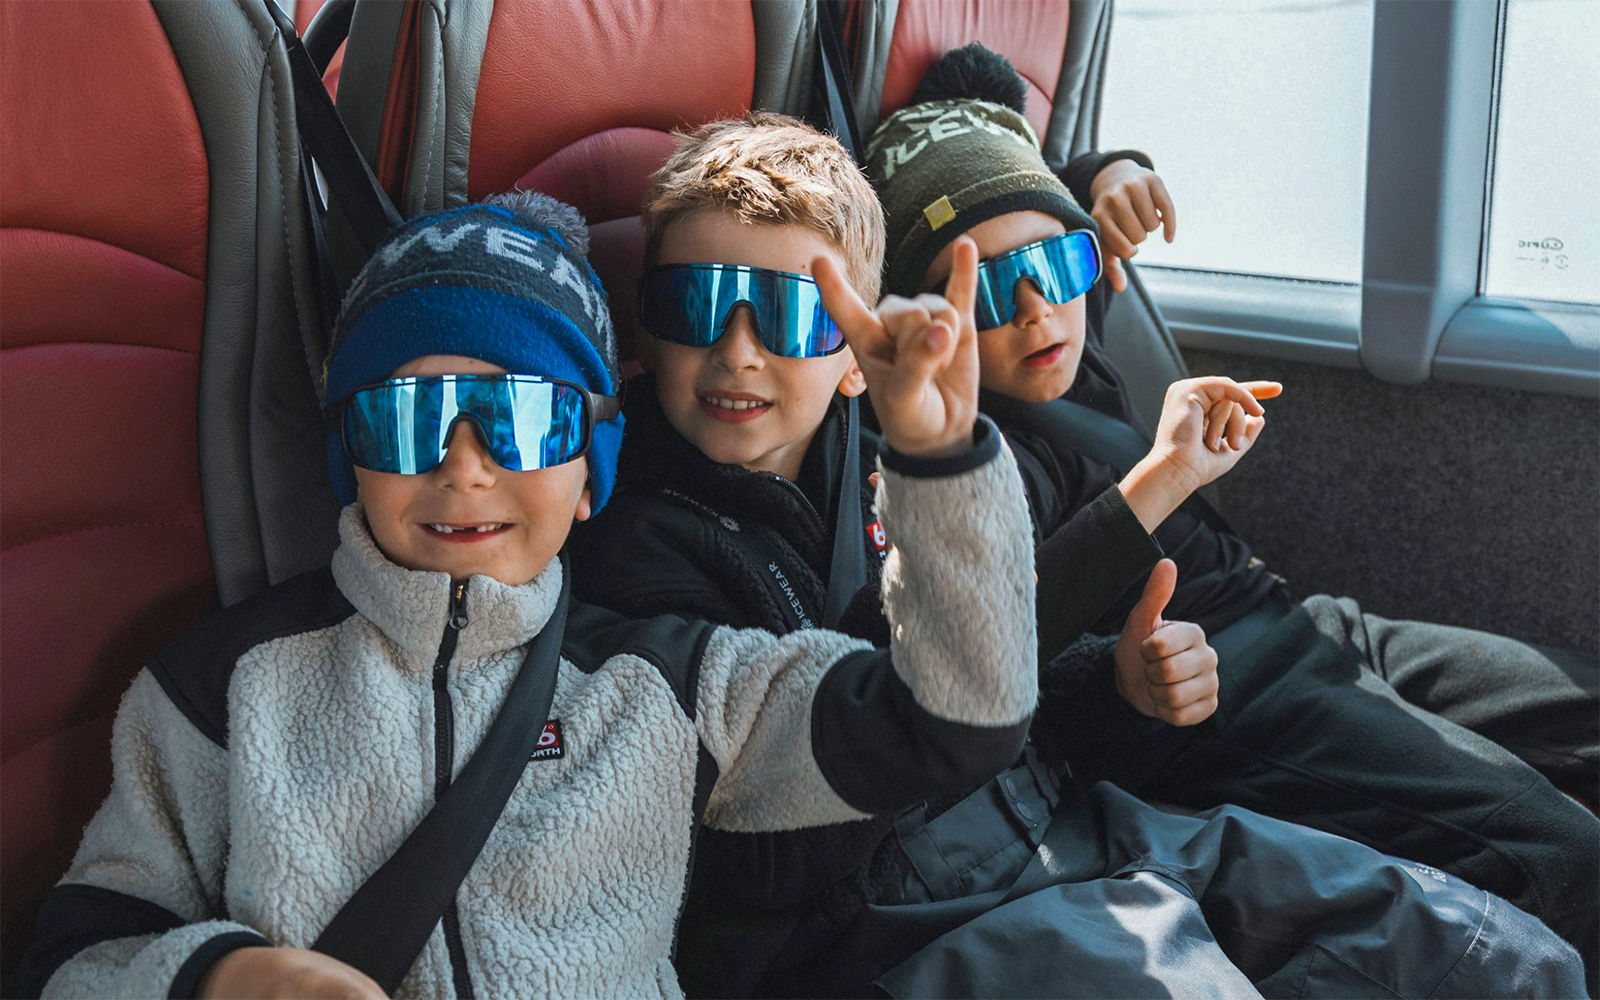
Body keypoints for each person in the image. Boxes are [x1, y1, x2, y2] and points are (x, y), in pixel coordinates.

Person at [569, 112, 1589, 998]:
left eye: (790, 313)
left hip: (1068, 823)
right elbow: (766, 822)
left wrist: (1112, 688)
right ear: (643, 336)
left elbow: (1018, 699)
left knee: (1493, 955)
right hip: (891, 921)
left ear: (851, 355)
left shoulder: (891, 467)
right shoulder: (632, 551)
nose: (738, 350)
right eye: (696, 306)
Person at [19, 191, 1044, 1000]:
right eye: (410, 422)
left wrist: (937, 460)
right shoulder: (221, 685)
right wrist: (222, 975)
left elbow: (956, 722)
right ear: (348, 461)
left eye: (516, 420)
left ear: (592, 465)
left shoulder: (667, 682)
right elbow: (80, 952)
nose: (464, 470)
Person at [867, 43, 1600, 983]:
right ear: (927, 318)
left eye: (1061, 260)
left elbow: (1038, 187)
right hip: (1222, 700)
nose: (1040, 308)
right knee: (1563, 856)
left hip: (1306, 622)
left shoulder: (1065, 337)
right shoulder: (966, 456)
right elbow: (990, 634)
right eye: (994, 289)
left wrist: (1106, 173)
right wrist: (1167, 476)